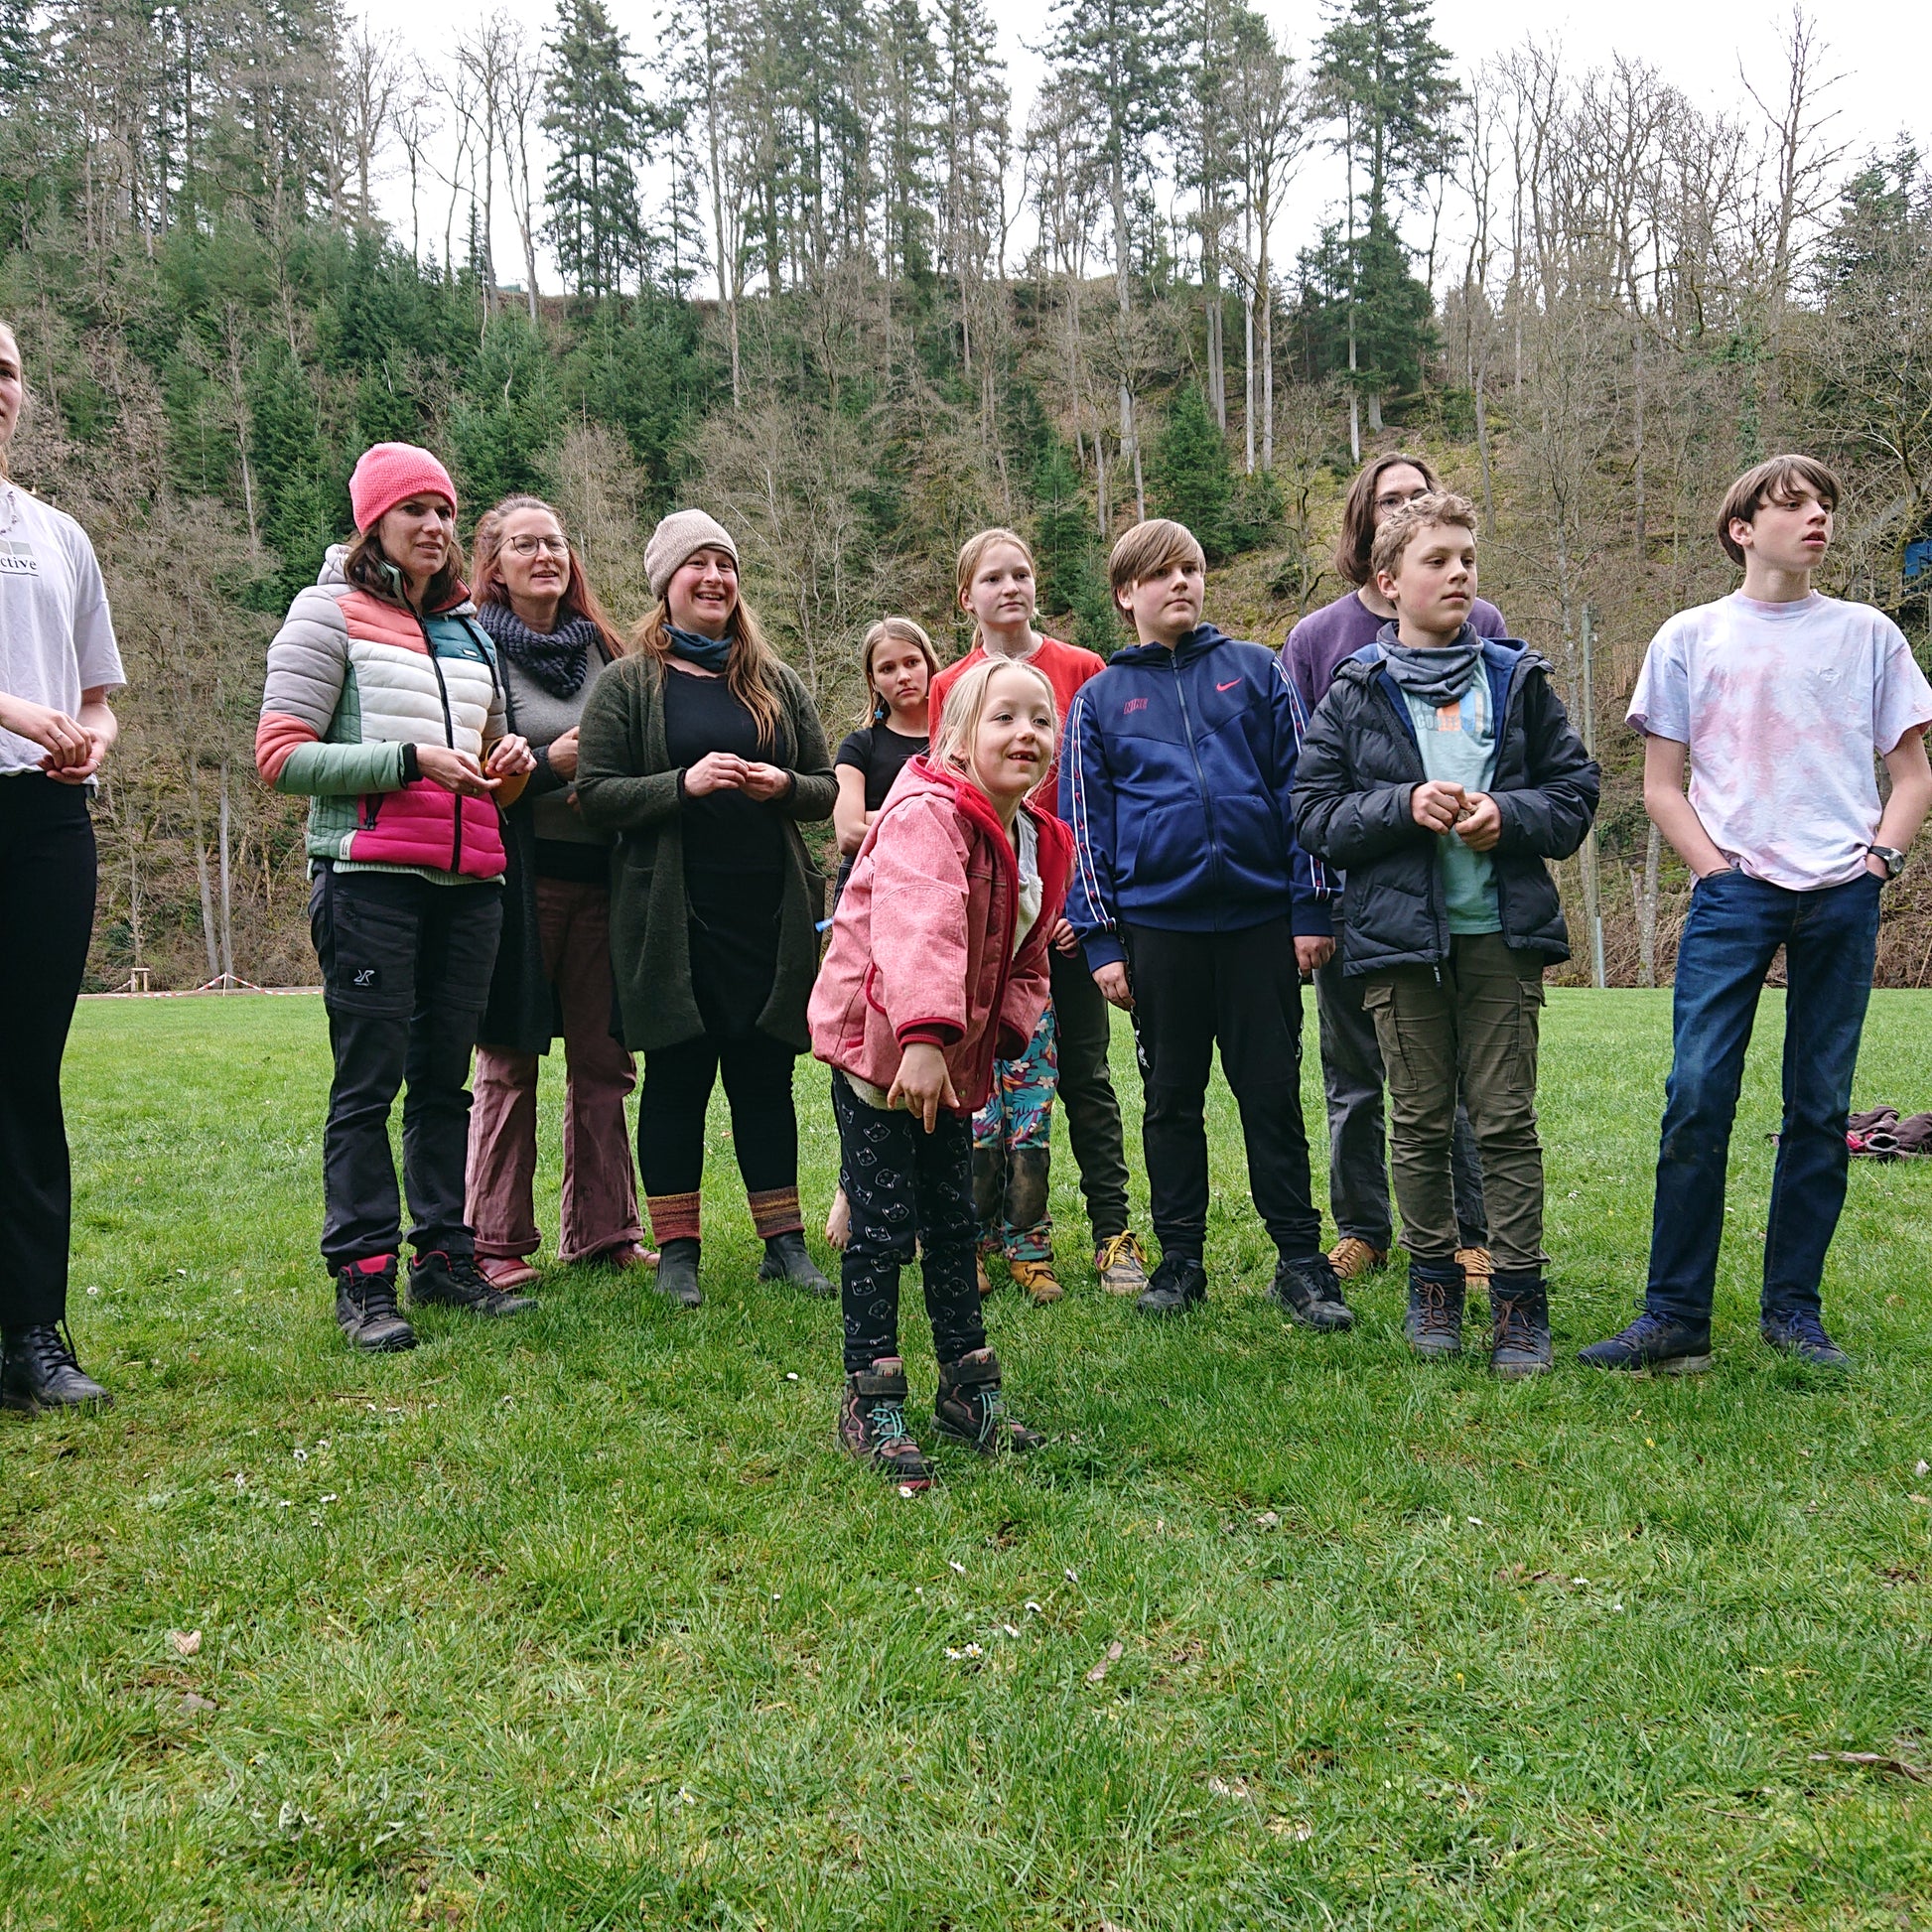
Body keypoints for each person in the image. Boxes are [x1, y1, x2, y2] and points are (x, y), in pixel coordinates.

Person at [1582, 457, 1932, 1374]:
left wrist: (1879, 859)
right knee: (1697, 1095)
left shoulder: (1868, 635)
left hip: (1842, 898)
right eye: (1794, 504)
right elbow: (1661, 785)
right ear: (1743, 528)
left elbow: (1912, 773)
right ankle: (1672, 1320)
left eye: (1825, 503)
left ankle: (1794, 1316)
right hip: (1734, 894)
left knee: (1819, 1107)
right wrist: (1714, 868)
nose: (1817, 516)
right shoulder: (1691, 637)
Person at [1294, 492, 1599, 1376]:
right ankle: (1432, 1287)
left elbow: (1576, 798)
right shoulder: (1355, 690)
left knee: (1504, 1120)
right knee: (1420, 1121)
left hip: (1501, 939)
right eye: (1438, 560)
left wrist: (1510, 813)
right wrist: (1402, 804)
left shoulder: (1516, 678)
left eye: (1466, 556)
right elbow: (1312, 814)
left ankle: (1518, 1302)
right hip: (1396, 944)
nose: (1459, 571)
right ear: (1389, 584)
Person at [256, 443, 538, 1352]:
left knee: (444, 1086)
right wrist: (409, 762)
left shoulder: (471, 631)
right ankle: (366, 1277)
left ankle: (444, 1259)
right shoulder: (324, 613)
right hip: (368, 879)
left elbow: (496, 764)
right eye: (413, 510)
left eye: (445, 511)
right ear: (372, 520)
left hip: (471, 886)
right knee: (368, 1085)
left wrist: (510, 770)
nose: (433, 527)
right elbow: (281, 756)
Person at [1062, 517, 1346, 1328]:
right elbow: (1086, 828)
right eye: (1161, 574)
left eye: (1191, 567)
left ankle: (1301, 1263)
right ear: (1127, 595)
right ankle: (1180, 1261)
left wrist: (1309, 905)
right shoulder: (1099, 701)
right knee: (1170, 1099)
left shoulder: (1257, 672)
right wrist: (1105, 940)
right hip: (1159, 932)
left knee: (1270, 1094)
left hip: (1261, 923)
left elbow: (1303, 795)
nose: (1181, 583)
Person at [809, 656, 1065, 1487]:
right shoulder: (927, 811)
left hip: (951, 1058)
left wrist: (1002, 1034)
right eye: (1004, 719)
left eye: (1040, 720)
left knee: (954, 1220)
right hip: (887, 1044)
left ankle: (968, 1385)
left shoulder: (1037, 837)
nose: (1025, 734)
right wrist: (923, 1037)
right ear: (958, 733)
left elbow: (1027, 959)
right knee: (885, 1227)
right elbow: (920, 926)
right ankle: (870, 1392)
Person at [575, 510, 837, 1309]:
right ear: (667, 584)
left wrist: (780, 786)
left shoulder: (774, 680)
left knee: (765, 1079)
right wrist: (679, 786)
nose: (715, 579)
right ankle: (679, 1251)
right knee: (677, 1080)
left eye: (725, 565)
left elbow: (824, 788)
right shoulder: (626, 682)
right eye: (698, 566)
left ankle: (783, 1245)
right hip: (670, 920)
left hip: (767, 912)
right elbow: (594, 794)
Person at [1283, 452, 1507, 1290]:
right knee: (1354, 1078)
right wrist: (1309, 911)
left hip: (1458, 894)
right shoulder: (1316, 639)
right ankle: (1365, 1228)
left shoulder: (1479, 616)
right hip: (1350, 896)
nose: (1407, 507)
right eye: (1391, 500)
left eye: (1420, 496)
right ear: (1365, 524)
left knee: (1452, 1077)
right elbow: (1303, 784)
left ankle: (1466, 1233)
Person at [931, 527, 1150, 1300]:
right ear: (969, 597)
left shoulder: (1082, 671)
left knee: (1085, 1077)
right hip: (992, 928)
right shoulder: (949, 682)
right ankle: (980, 1235)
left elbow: (1101, 801)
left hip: (1068, 919)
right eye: (993, 578)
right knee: (981, 1085)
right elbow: (948, 803)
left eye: (1021, 573)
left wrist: (1077, 905)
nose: (1011, 588)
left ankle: (1112, 1233)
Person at [464, 495, 650, 1291]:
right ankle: (495, 1239)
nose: (546, 555)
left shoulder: (607, 651)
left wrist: (608, 785)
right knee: (508, 1059)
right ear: (495, 567)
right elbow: (466, 760)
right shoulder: (472, 646)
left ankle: (605, 1231)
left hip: (604, 881)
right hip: (516, 881)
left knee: (604, 1062)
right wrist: (550, 768)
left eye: (557, 543)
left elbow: (640, 745)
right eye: (524, 545)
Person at [0, 319, 124, 1413]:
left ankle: (32, 1336)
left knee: (27, 1080)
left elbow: (94, 694)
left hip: (44, 822)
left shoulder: (59, 533)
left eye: (5, 370)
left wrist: (89, 739)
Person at [826, 618, 936, 1253]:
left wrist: (884, 815)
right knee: (863, 1053)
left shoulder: (955, 735)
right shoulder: (860, 747)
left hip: (940, 911)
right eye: (887, 668)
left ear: (929, 661)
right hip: (867, 908)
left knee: (927, 1049)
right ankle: (852, 1186)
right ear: (873, 681)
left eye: (911, 662)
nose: (902, 676)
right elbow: (845, 830)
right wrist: (925, 818)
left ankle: (923, 1201)